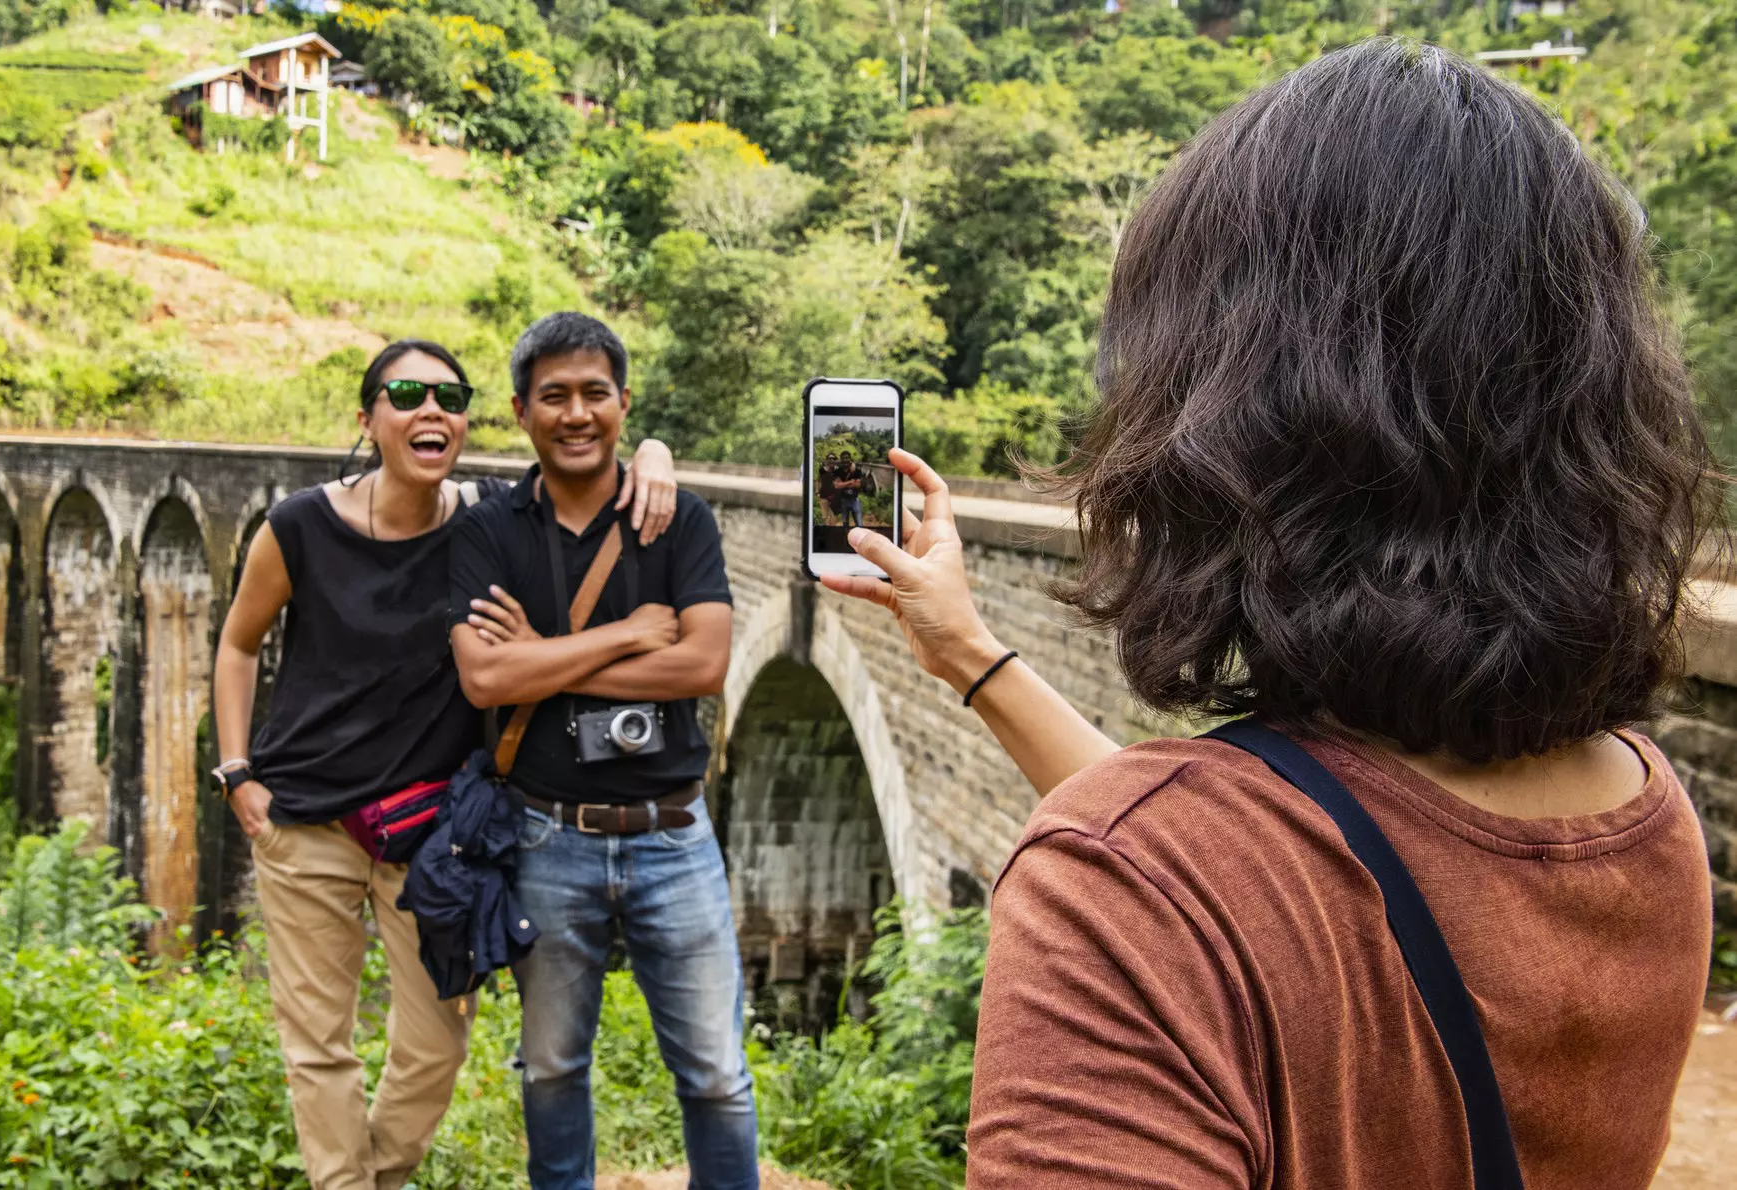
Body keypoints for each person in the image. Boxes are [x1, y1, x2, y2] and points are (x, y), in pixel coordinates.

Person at [824, 40, 1715, 1190]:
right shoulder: (1645, 817)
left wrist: (1096, 832)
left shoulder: (1134, 885)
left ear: (1221, 410)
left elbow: (1204, 886)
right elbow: (1267, 881)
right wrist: (969, 655)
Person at [210, 338, 681, 1190]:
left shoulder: (490, 518)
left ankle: (377, 1180)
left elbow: (582, 479)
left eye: (450, 396)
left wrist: (653, 451)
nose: (432, 409)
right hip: (306, 819)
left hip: (434, 836)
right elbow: (239, 643)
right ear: (368, 419)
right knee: (318, 1044)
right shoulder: (298, 527)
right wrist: (238, 774)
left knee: (435, 1046)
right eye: (408, 395)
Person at [449, 312, 757, 1190]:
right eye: (554, 396)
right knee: (549, 1067)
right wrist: (626, 635)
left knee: (716, 1074)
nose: (575, 413)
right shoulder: (488, 530)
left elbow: (702, 663)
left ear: (624, 404)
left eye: (594, 393)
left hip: (674, 837)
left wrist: (538, 658)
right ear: (521, 410)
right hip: (546, 834)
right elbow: (480, 680)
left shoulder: (678, 520)